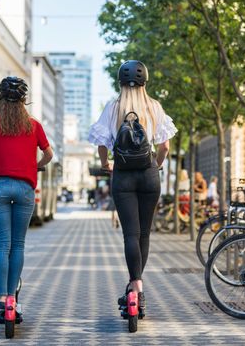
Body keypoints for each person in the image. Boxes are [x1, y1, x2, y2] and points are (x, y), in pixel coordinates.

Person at [88, 60, 177, 318]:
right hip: (149, 175)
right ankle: (137, 286)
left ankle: (134, 286)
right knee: (144, 235)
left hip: (123, 176)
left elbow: (102, 142)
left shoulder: (113, 108)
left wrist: (107, 164)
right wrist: (156, 166)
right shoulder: (154, 108)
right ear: (145, 82)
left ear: (120, 83)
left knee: (130, 234)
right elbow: (164, 147)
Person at [0, 76, 53, 312]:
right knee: (18, 244)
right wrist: (36, 165)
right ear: (24, 101)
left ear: (0, 98)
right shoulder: (34, 126)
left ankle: (1, 298)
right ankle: (12, 298)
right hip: (25, 189)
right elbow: (49, 154)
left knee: (2, 244)